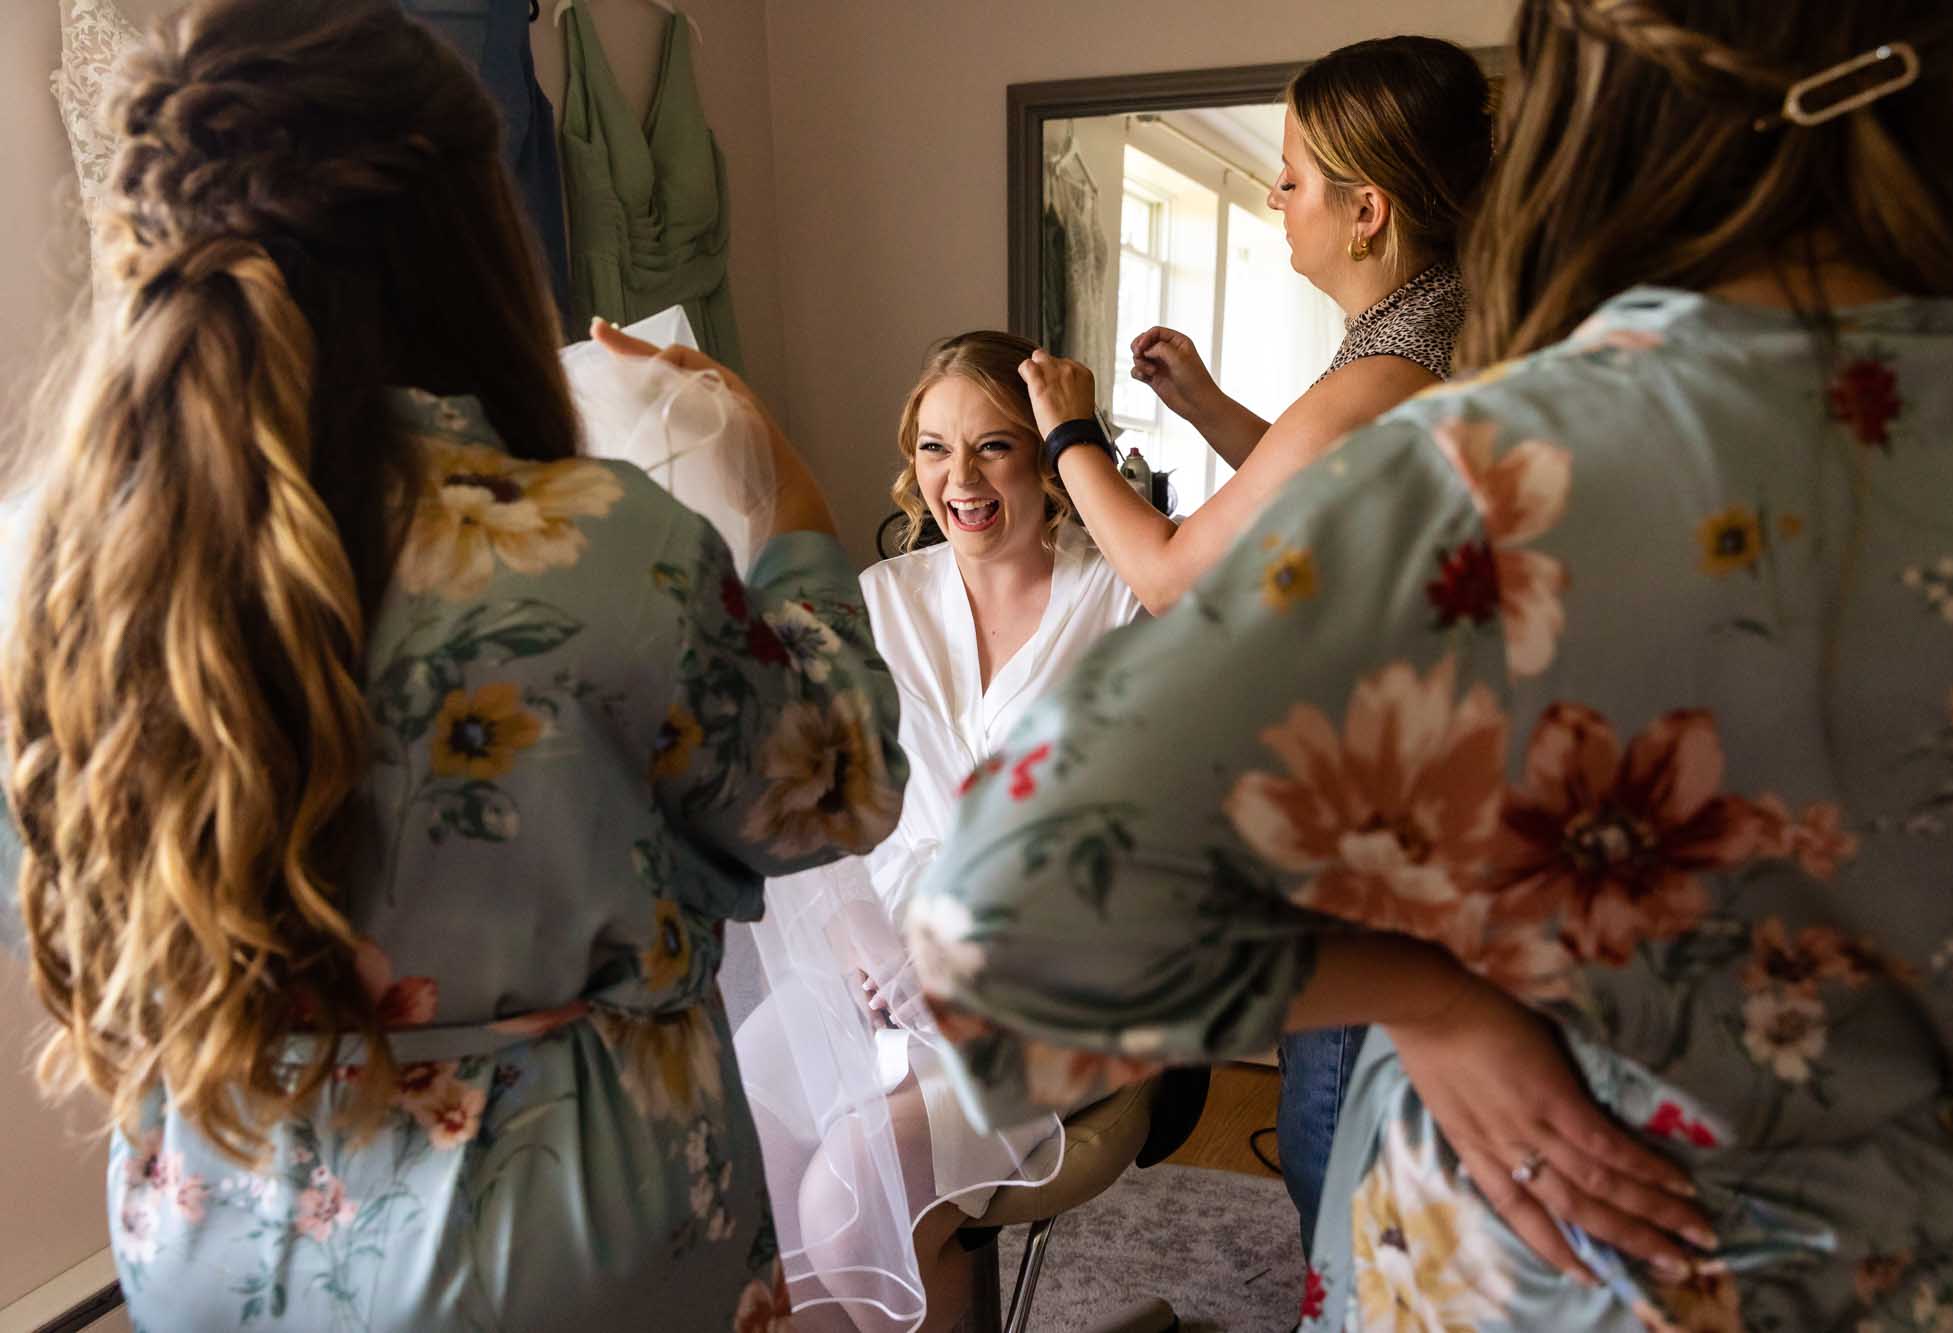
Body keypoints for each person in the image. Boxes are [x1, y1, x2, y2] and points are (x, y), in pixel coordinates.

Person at [915, 0, 1953, 1327]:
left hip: (1572, 1269)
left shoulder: (1507, 466)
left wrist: (1434, 1003)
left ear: (1589, 100)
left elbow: (1006, 921)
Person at [0, 3, 904, 1328]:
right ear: (463, 231)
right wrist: (795, 498)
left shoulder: (69, 575)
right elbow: (838, 784)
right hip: (552, 1245)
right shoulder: (597, 544)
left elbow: (55, 906)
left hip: (215, 1230)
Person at [1026, 35, 1493, 1248]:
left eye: (1288, 178)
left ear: (1366, 209)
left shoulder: (1392, 363)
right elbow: (1326, 503)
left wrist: (1070, 430)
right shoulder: (1428, 330)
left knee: (1332, 1138)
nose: (1277, 199)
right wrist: (1211, 409)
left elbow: (1179, 572)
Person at [731, 331, 1145, 1332]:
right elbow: (808, 815)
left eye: (994, 446)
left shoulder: (1124, 596)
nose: (959, 479)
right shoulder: (874, 604)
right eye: (932, 448)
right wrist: (862, 955)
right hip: (875, 965)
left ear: (1050, 454)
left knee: (845, 1204)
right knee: (740, 1163)